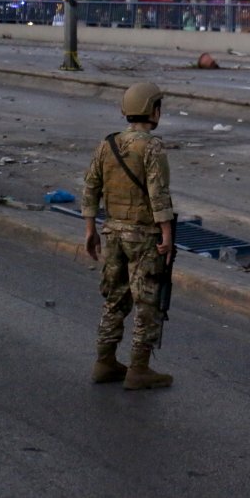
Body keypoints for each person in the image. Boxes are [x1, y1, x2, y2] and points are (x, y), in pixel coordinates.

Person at [82, 82, 176, 390]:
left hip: (113, 233)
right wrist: (167, 235)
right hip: (143, 236)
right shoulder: (151, 147)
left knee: (115, 298)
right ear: (153, 111)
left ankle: (104, 360)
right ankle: (139, 368)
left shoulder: (107, 144)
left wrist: (90, 230)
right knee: (146, 301)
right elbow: (158, 194)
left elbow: (91, 188)